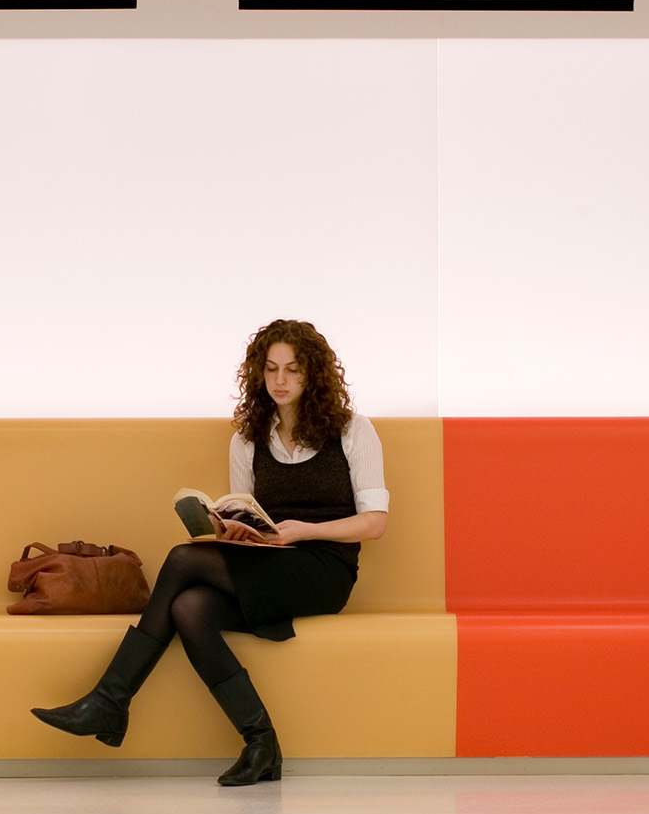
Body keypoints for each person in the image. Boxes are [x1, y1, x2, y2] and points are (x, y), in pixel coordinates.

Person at [31, 318, 390, 787]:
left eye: (292, 370)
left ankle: (111, 700)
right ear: (258, 374)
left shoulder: (352, 431)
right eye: (271, 369)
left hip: (324, 569)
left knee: (182, 559)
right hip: (270, 563)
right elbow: (246, 513)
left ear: (313, 375)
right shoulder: (247, 438)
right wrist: (234, 531)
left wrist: (302, 531)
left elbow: (376, 523)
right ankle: (261, 744)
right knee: (189, 607)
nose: (280, 381)